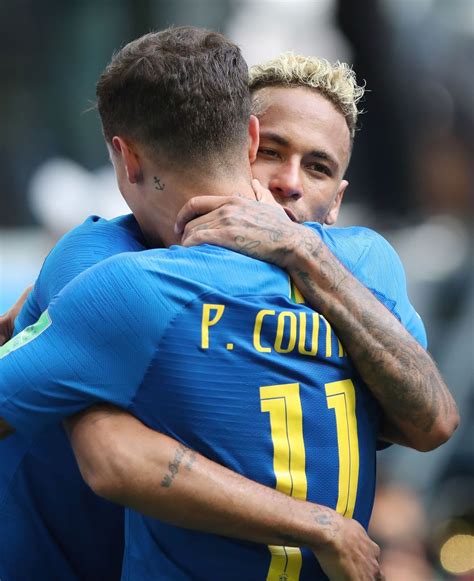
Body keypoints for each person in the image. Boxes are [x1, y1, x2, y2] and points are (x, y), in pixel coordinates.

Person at [0, 30, 457, 580]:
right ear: (243, 143)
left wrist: (305, 254)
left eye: (317, 167)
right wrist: (320, 526)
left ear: (337, 200)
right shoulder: (102, 264)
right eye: (272, 154)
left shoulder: (357, 266)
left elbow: (430, 423)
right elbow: (111, 457)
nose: (288, 184)